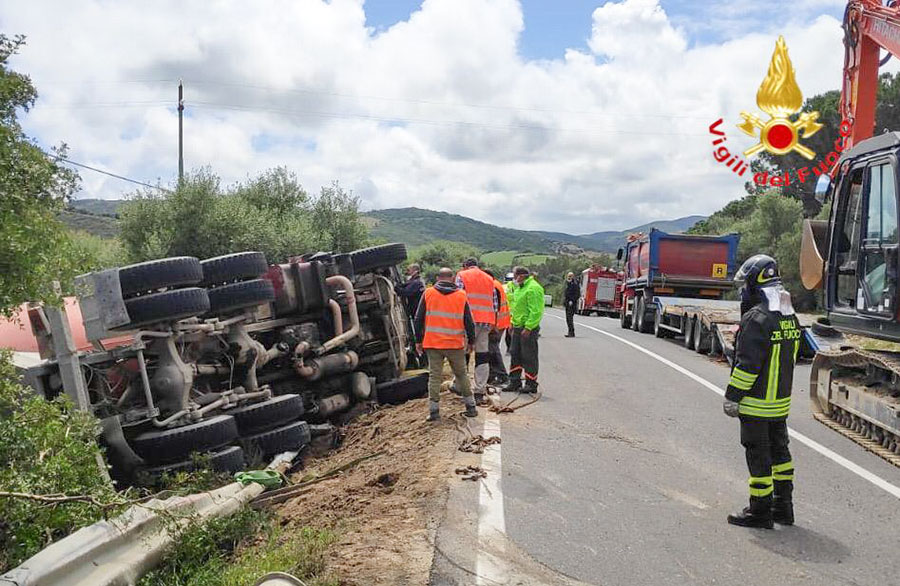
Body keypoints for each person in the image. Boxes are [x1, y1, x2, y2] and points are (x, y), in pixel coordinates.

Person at [723, 254, 799, 529]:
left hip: (756, 404)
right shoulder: (789, 317)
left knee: (758, 458)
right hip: (779, 404)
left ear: (755, 283)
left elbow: (747, 367)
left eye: (746, 284)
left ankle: (760, 512)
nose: (743, 291)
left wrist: (732, 396)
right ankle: (783, 507)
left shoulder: (756, 319)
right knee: (780, 455)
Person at [415, 267, 478, 422]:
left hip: (433, 343)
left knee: (434, 377)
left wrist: (418, 341)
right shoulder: (461, 295)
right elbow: (469, 322)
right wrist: (471, 341)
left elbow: (418, 319)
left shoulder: (428, 293)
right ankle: (471, 407)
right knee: (461, 375)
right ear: (452, 278)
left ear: (438, 278)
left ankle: (434, 412)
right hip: (455, 344)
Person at [456, 258, 497, 402]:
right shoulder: (488, 278)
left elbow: (458, 298)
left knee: (462, 354)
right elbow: (494, 304)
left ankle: (460, 387)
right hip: (485, 322)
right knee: (482, 356)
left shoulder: (462, 275)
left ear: (465, 266)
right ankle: (479, 391)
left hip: (468, 322)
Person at [503, 266, 544, 394]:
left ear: (521, 276)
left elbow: (536, 311)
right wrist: (512, 322)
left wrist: (528, 327)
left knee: (529, 356)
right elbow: (516, 307)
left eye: (515, 276)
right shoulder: (520, 288)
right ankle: (514, 381)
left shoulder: (533, 288)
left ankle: (531, 383)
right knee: (515, 354)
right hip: (517, 326)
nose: (514, 279)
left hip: (527, 329)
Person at [483, 269, 510, 385]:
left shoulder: (493, 286)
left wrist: (492, 325)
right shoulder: (496, 284)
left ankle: (501, 375)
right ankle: (493, 375)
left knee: (492, 350)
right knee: (491, 349)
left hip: (497, 324)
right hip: (500, 322)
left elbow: (494, 307)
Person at [564, 271, 580, 337]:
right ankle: (570, 332)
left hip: (572, 304)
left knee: (570, 318)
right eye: (568, 276)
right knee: (568, 319)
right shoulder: (568, 284)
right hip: (567, 303)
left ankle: (571, 332)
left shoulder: (575, 284)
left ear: (573, 277)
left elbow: (577, 294)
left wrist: (572, 300)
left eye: (570, 276)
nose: (569, 277)